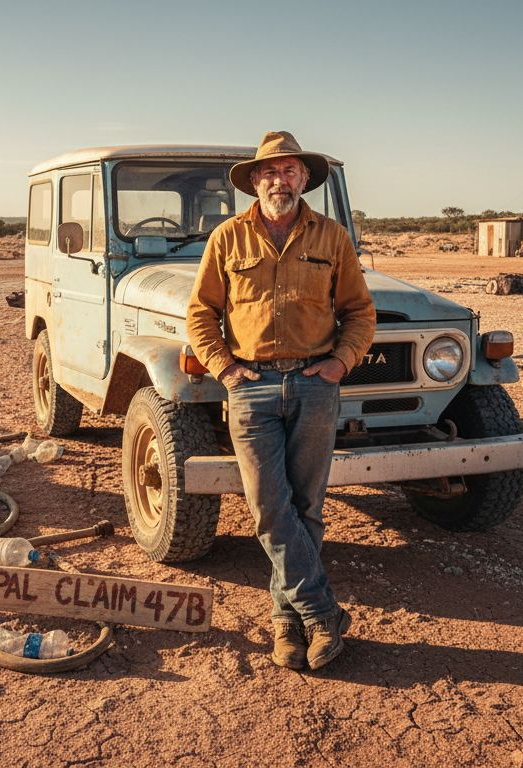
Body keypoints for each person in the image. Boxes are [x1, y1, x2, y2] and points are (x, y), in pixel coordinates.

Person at [186, 131, 376, 670]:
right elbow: (201, 313)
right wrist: (225, 368)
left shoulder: (333, 236)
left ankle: (285, 624)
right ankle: (321, 612)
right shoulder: (228, 237)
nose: (280, 180)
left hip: (316, 384)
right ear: (254, 181)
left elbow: (360, 311)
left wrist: (340, 363)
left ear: (303, 179)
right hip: (252, 388)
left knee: (306, 506)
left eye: (289, 171)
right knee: (270, 507)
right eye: (269, 172)